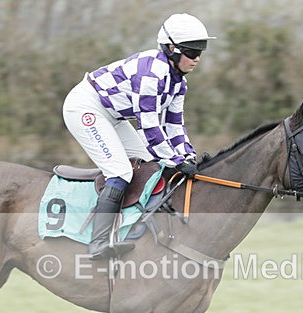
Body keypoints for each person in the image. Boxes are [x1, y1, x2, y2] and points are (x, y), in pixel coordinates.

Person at [62, 13, 216, 260]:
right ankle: (98, 243)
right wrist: (176, 162)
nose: (197, 58)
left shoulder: (178, 83)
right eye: (191, 52)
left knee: (151, 166)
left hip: (114, 116)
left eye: (201, 52)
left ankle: (136, 229)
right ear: (171, 48)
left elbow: (175, 126)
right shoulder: (151, 74)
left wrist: (188, 156)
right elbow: (150, 128)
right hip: (86, 108)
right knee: (120, 172)